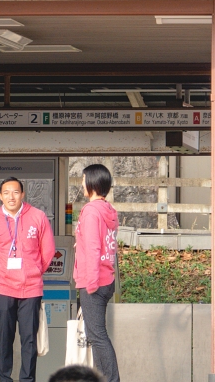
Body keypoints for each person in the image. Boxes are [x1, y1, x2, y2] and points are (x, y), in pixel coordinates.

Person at [0, 177, 56, 382]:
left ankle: (27, 379)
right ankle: (4, 378)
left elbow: (48, 251)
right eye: (6, 193)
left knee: (29, 340)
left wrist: (34, 271)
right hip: (3, 287)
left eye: (15, 192)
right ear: (0, 196)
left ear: (22, 194)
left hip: (31, 288)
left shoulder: (38, 217)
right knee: (4, 337)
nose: (11, 197)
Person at [73, 164, 120, 382]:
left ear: (91, 182)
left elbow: (93, 247)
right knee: (97, 334)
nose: (81, 183)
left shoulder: (91, 211)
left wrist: (89, 283)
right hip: (105, 277)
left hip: (94, 280)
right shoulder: (107, 210)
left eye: (83, 179)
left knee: (98, 336)